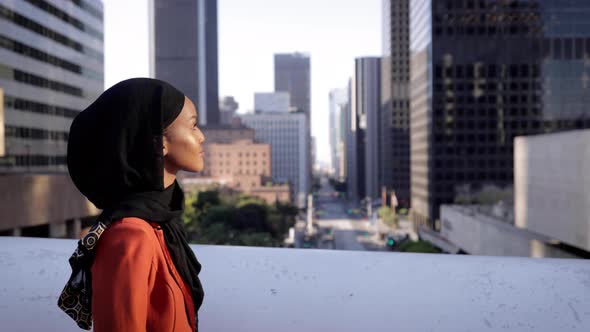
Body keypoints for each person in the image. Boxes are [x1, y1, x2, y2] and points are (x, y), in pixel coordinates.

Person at [57, 78, 205, 332]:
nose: (201, 137)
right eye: (192, 126)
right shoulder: (130, 237)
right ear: (161, 143)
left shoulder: (160, 224)